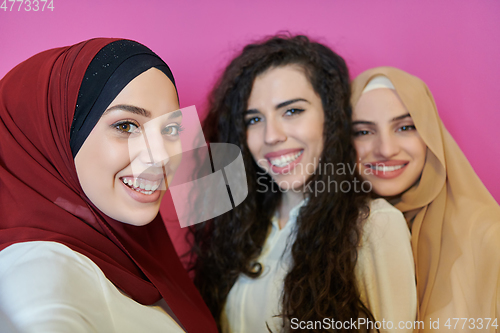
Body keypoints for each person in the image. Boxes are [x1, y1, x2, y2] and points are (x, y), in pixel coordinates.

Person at [190, 35, 417, 333]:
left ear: (331, 117)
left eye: (292, 111)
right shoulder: (239, 225)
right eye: (254, 119)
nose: (272, 135)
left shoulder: (375, 225)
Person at [0, 38, 217, 332]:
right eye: (126, 126)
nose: (162, 156)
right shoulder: (41, 272)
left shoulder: (125, 254)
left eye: (170, 129)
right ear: (54, 138)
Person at [351, 66, 500, 331]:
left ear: (430, 134)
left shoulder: (488, 234)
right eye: (363, 132)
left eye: (405, 127)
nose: (385, 149)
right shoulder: (336, 234)